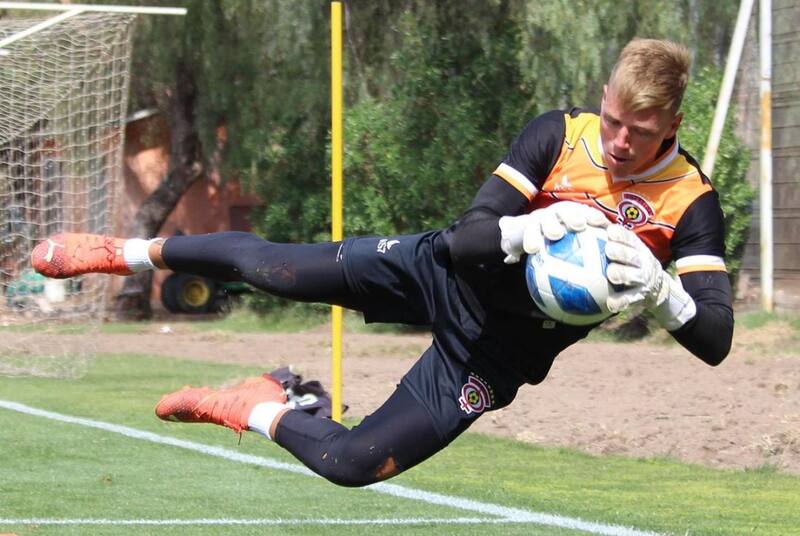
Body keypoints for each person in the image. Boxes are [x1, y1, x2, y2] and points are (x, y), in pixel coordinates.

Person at [31, 38, 733, 487]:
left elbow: (716, 340)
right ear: (603, 99)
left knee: (355, 464)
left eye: (639, 134)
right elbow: (467, 238)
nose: (616, 142)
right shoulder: (560, 134)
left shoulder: (690, 201)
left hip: (494, 352)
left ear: (672, 126)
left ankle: (268, 404)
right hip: (441, 270)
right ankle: (121, 253)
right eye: (612, 120)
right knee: (271, 267)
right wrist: (531, 228)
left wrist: (666, 294)